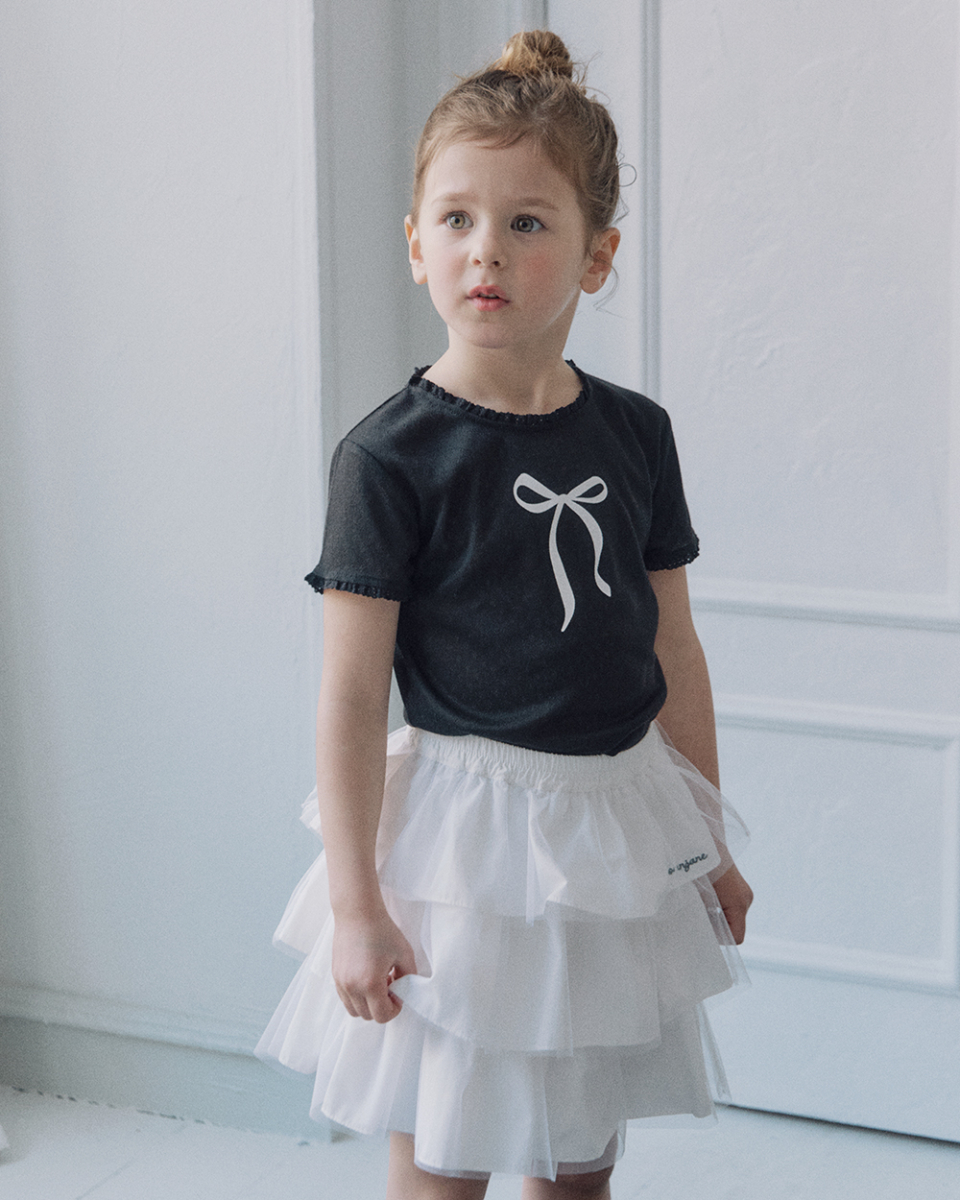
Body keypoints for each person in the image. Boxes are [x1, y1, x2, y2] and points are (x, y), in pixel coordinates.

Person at [257, 29, 753, 1200]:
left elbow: (673, 647)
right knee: (447, 1154)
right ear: (416, 245)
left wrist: (707, 845)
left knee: (579, 1161)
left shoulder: (636, 436)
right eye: (457, 219)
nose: (486, 248)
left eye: (527, 222)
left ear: (597, 256)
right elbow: (350, 694)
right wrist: (358, 904)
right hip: (465, 853)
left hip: (612, 832)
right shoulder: (389, 457)